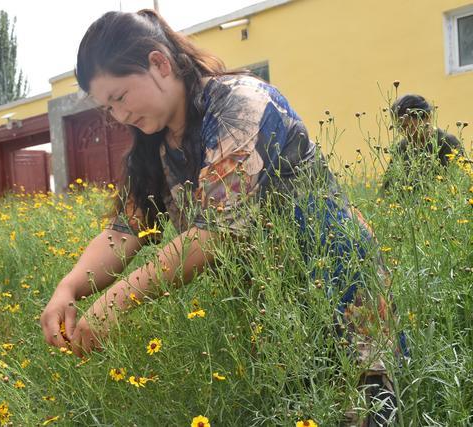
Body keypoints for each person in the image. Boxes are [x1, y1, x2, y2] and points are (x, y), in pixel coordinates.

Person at [40, 9, 399, 425]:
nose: (119, 116)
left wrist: (114, 303)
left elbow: (217, 234)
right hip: (276, 311)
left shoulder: (239, 104)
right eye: (108, 108)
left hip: (339, 288)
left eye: (120, 98)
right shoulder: (156, 145)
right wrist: (68, 290)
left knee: (365, 414)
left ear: (159, 63)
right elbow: (125, 230)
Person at [382, 94, 465, 193]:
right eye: (401, 128)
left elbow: (455, 186)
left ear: (427, 117)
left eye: (410, 126)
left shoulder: (447, 143)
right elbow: (387, 189)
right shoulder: (401, 147)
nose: (406, 132)